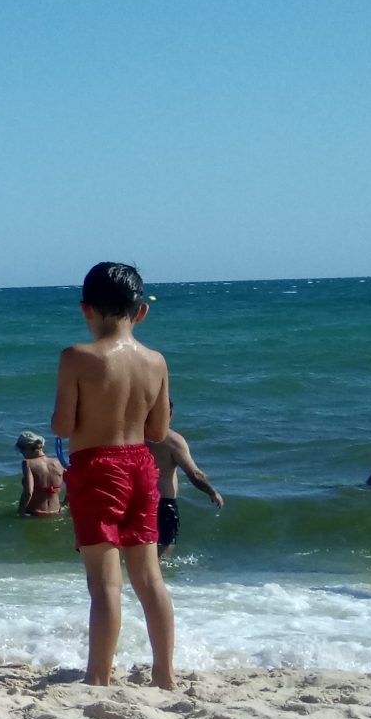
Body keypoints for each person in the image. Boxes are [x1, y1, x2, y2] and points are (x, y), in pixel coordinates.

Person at [52, 261, 178, 689]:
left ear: (86, 309)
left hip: (96, 468)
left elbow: (63, 426)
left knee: (105, 581)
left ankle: (99, 676)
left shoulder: (77, 357)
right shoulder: (156, 361)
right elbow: (159, 431)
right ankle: (164, 673)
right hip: (143, 465)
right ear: (140, 312)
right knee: (149, 577)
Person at [147, 429, 224, 556]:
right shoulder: (172, 440)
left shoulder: (135, 436)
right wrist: (213, 492)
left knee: (139, 551)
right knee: (163, 553)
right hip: (164, 504)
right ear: (169, 413)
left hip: (137, 501)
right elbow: (195, 474)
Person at [16, 431, 65, 517]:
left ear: (27, 448)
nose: (22, 454)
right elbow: (73, 484)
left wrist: (19, 512)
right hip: (56, 512)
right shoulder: (58, 462)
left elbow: (28, 492)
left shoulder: (28, 463)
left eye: (21, 451)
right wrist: (66, 503)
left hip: (35, 513)